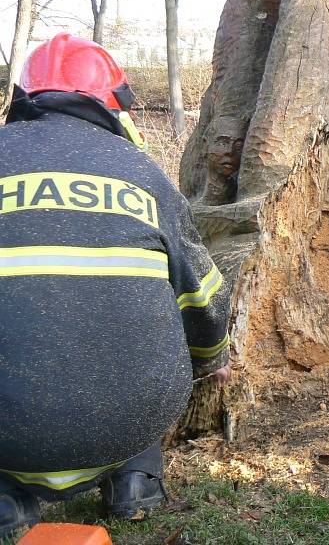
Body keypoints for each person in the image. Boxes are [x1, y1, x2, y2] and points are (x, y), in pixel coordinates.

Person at [0, 33, 232, 537]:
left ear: (24, 98)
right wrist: (212, 359)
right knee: (134, 358)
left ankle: (9, 501)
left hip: (7, 426)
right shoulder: (144, 175)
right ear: (113, 107)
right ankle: (134, 481)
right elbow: (205, 300)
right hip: (129, 417)